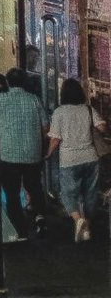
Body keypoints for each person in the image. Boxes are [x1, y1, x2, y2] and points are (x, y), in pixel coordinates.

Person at [47, 76, 105, 243]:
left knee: (68, 193)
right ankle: (87, 227)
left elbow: (55, 139)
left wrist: (48, 153)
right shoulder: (88, 109)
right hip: (90, 158)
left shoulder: (59, 112)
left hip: (69, 160)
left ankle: (78, 220)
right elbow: (102, 127)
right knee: (90, 194)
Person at [0, 66, 47, 236]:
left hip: (8, 154)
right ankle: (40, 218)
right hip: (33, 153)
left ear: (7, 82)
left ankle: (19, 228)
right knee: (34, 187)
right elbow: (45, 127)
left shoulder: (0, 99)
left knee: (12, 193)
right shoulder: (34, 99)